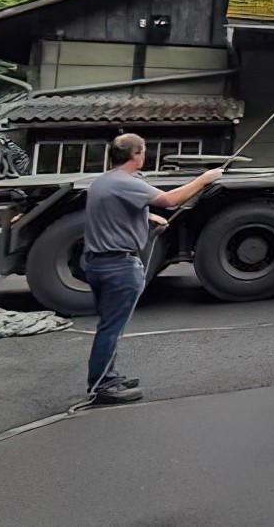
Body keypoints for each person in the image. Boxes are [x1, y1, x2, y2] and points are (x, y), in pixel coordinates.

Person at [82, 133, 223, 403]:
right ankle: (103, 386)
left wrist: (147, 216)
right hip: (119, 266)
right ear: (135, 155)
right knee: (111, 328)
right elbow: (170, 200)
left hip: (97, 263)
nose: (144, 155)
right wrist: (203, 179)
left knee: (108, 325)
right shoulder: (127, 182)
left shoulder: (103, 182)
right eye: (143, 150)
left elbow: (112, 212)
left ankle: (107, 375)